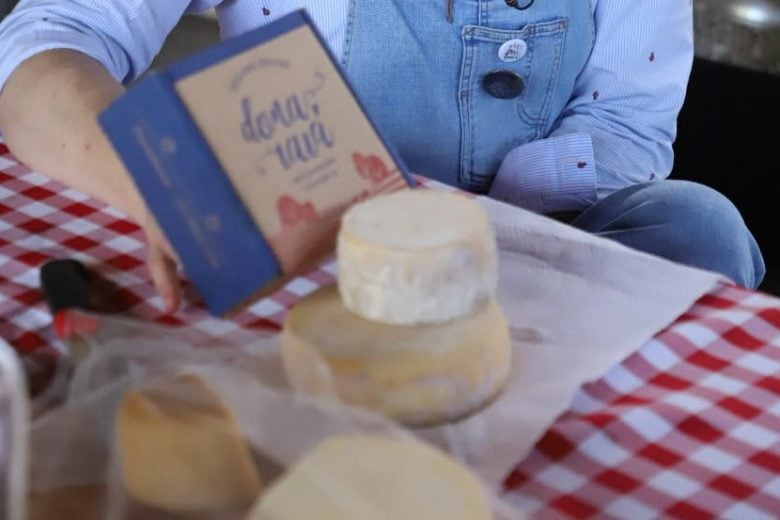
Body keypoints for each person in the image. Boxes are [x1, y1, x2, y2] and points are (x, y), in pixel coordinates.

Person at [0, 0, 765, 313]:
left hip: (544, 261)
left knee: (703, 227)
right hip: (307, 266)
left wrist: (487, 221)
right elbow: (42, 45)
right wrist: (159, 181)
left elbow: (630, 119)